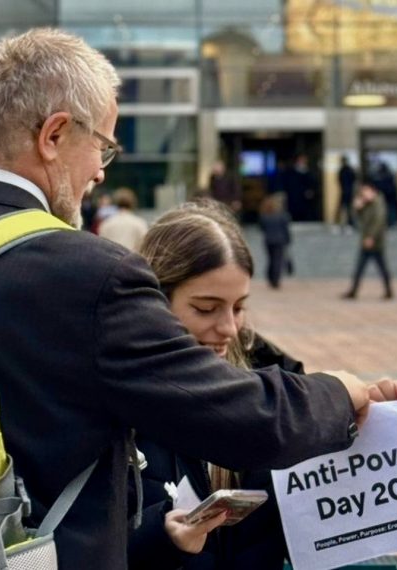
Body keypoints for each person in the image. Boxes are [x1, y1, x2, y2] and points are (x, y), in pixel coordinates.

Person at [0, 28, 397, 569]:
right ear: (54, 135)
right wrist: (338, 393)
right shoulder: (88, 274)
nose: (101, 171)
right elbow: (237, 418)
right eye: (103, 146)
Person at [129, 200, 319, 569]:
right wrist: (161, 536)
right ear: (154, 301)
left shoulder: (276, 389)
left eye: (239, 307)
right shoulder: (112, 403)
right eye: (205, 308)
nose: (229, 329)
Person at [342, 180, 393, 300]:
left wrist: (371, 237)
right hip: (365, 241)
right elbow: (358, 222)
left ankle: (388, 290)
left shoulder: (378, 202)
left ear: (372, 191)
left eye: (365, 191)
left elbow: (379, 222)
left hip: (376, 242)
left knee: (382, 267)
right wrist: (357, 208)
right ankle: (353, 291)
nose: (363, 194)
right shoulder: (366, 204)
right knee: (359, 267)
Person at [97, 187, 149, 251]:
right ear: (133, 203)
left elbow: (101, 246)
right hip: (132, 259)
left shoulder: (106, 223)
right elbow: (144, 245)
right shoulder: (139, 223)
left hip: (111, 259)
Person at [258, 193, 292, 289]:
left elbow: (262, 228)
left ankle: (270, 278)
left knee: (270, 259)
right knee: (278, 260)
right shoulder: (283, 216)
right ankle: (275, 280)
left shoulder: (264, 216)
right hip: (280, 240)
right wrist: (288, 240)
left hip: (268, 240)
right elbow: (286, 229)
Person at [335, 155, 356, 231]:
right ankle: (349, 224)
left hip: (345, 191)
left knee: (344, 208)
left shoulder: (343, 170)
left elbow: (339, 180)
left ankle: (343, 223)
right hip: (348, 191)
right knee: (348, 208)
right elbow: (354, 178)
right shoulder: (349, 169)